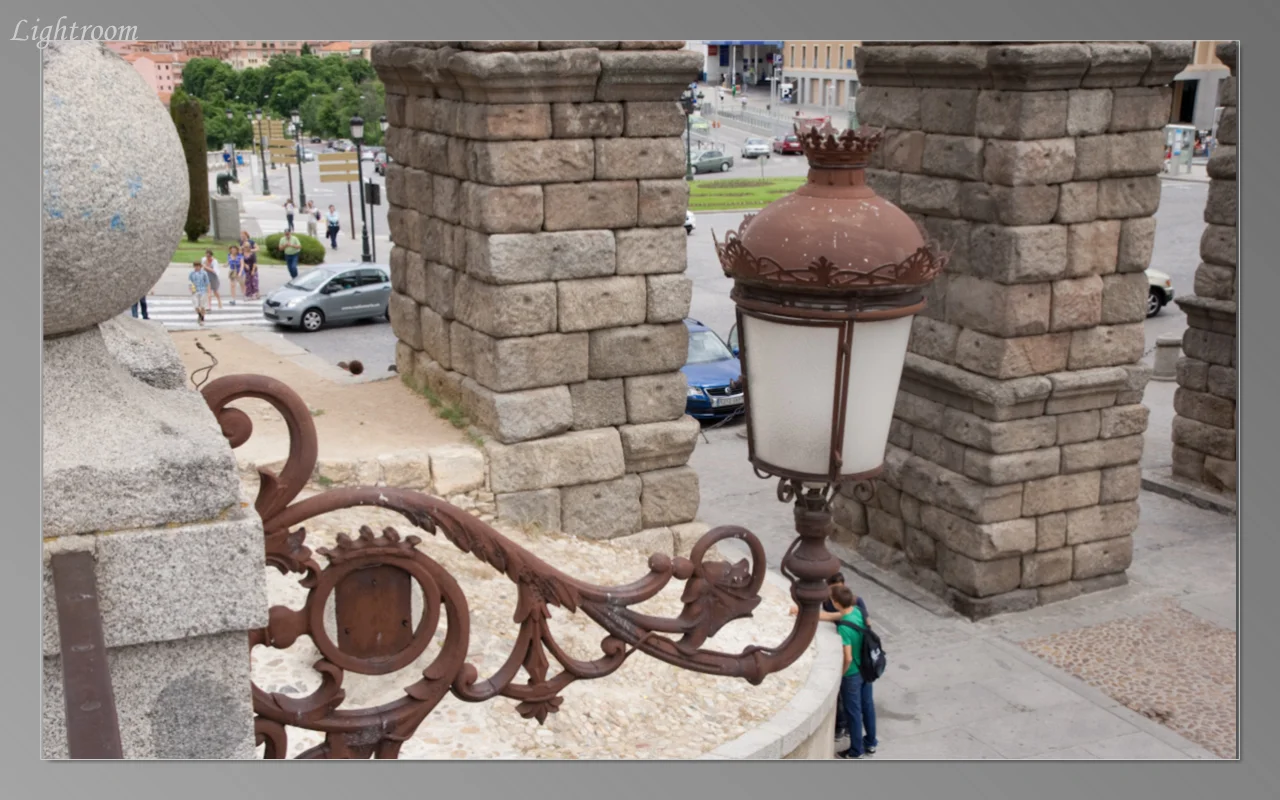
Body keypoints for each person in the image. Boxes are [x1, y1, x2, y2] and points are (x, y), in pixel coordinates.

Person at [832, 584, 878, 759]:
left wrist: (841, 674)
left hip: (852, 674)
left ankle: (856, 750)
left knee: (853, 712)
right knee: (868, 706)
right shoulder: (858, 611)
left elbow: (848, 657)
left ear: (836, 603)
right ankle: (871, 742)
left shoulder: (843, 627)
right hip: (867, 668)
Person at [189, 260, 211, 327]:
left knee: (202, 306)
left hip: (203, 291)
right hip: (195, 291)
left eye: (198, 266)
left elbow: (207, 283)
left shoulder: (204, 273)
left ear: (200, 266)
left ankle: (202, 319)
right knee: (196, 306)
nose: (196, 267)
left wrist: (209, 292)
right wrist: (191, 289)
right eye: (195, 266)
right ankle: (200, 315)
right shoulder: (192, 273)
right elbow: (190, 282)